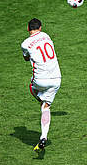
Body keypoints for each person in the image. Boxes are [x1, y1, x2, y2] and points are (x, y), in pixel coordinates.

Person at [21, 18, 61, 151]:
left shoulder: (25, 44)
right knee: (46, 107)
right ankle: (43, 136)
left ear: (28, 29)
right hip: (56, 78)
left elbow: (26, 58)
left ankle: (41, 99)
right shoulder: (46, 36)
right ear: (41, 27)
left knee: (32, 87)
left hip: (40, 80)